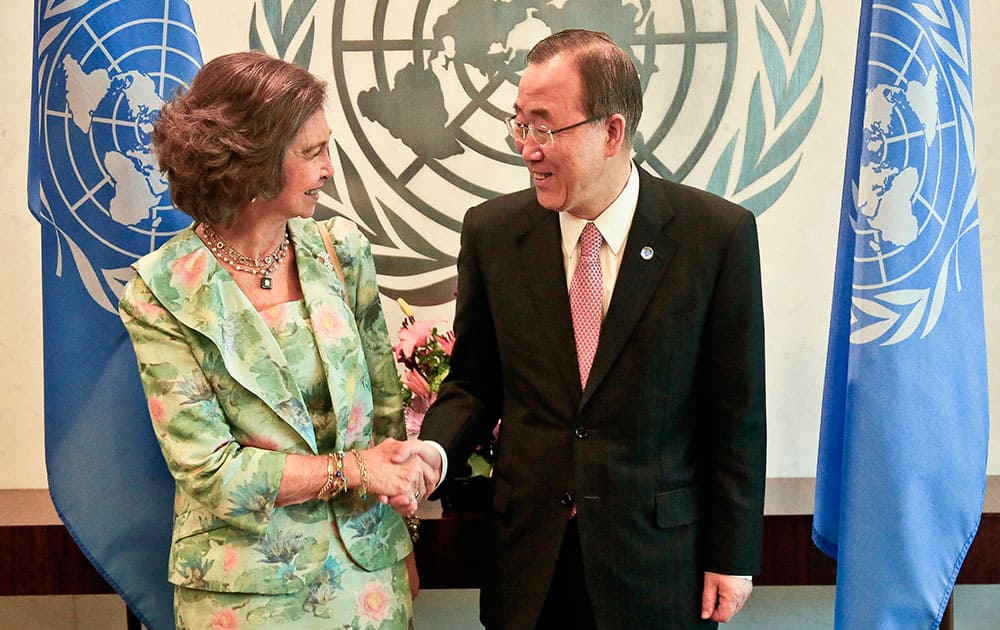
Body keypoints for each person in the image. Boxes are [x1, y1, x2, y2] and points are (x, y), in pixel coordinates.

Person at [396, 29, 767, 629]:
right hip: (530, 563)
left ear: (612, 132)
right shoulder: (493, 232)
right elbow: (474, 383)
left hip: (657, 564)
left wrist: (733, 556)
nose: (527, 148)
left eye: (544, 128)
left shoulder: (714, 237)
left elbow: (736, 412)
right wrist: (433, 454)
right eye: (520, 124)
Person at [119, 51, 431, 628]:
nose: (329, 169)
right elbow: (211, 472)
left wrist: (402, 539)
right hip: (243, 593)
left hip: (370, 577)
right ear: (250, 163)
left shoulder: (342, 250)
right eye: (312, 153)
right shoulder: (160, 291)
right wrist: (354, 470)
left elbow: (385, 412)